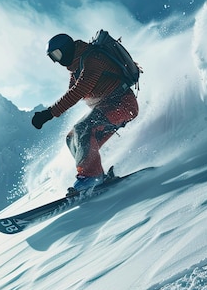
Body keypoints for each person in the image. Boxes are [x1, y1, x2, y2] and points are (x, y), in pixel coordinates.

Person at [31, 33, 139, 191]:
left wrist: (48, 114)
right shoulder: (76, 69)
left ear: (67, 49)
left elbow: (78, 91)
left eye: (58, 54)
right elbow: (72, 92)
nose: (58, 60)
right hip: (107, 108)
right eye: (54, 57)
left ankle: (90, 177)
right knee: (72, 138)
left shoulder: (92, 59)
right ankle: (95, 175)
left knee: (84, 128)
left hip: (123, 104)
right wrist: (50, 113)